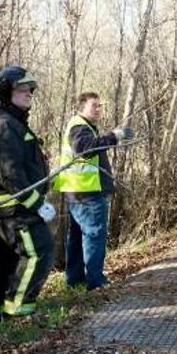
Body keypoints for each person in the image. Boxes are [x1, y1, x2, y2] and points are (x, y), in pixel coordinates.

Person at [0, 65, 56, 322]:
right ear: (6, 92)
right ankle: (19, 311)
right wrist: (37, 204)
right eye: (22, 88)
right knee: (40, 250)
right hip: (14, 208)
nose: (29, 93)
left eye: (30, 89)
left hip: (4, 208)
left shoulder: (11, 123)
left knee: (1, 261)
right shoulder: (5, 125)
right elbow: (10, 174)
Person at [53, 92, 133, 290]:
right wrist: (113, 136)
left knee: (78, 236)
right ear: (81, 108)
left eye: (100, 106)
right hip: (86, 192)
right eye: (94, 106)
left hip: (77, 191)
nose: (98, 109)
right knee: (94, 234)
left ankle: (75, 280)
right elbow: (86, 150)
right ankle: (96, 282)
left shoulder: (83, 126)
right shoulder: (79, 127)